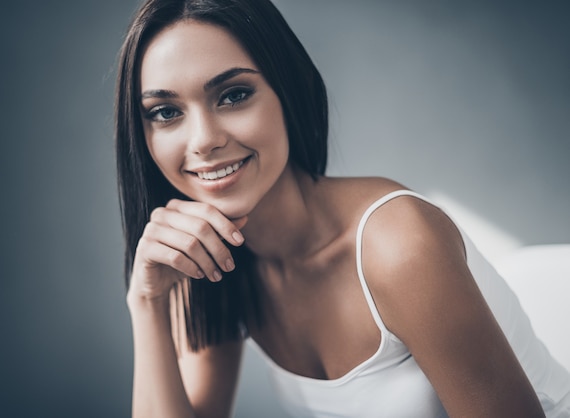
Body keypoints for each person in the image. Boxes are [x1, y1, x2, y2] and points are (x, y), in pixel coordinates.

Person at [114, 0, 570, 417]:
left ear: (287, 92)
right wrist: (147, 302)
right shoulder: (208, 258)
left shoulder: (398, 245)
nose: (204, 140)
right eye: (165, 112)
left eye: (233, 95)